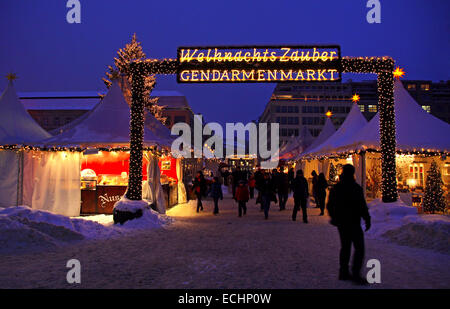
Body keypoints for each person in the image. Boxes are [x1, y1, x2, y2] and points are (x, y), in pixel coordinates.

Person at [327, 164, 371, 285]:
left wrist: (334, 217)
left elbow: (330, 205)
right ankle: (355, 273)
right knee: (359, 248)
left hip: (342, 223)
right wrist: (367, 218)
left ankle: (344, 271)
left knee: (345, 247)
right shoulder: (356, 188)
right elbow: (362, 205)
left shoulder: (337, 188)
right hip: (353, 222)